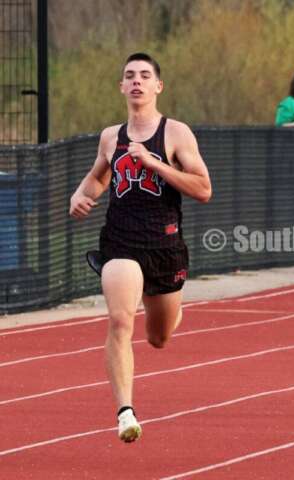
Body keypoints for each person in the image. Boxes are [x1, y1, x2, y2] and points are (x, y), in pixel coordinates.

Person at [69, 53, 212, 443]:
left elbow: (203, 189)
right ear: (121, 87)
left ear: (157, 87)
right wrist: (81, 197)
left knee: (159, 337)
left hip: (165, 246)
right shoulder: (110, 136)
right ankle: (125, 412)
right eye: (129, 76)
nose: (136, 81)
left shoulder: (176, 133)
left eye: (145, 76)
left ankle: (164, 306)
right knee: (119, 320)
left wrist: (154, 163)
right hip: (121, 242)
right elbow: (97, 179)